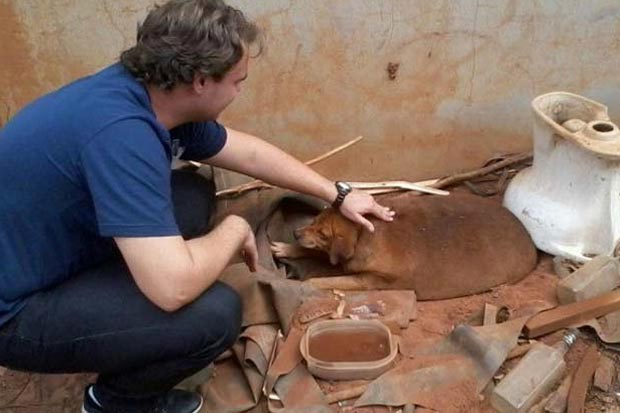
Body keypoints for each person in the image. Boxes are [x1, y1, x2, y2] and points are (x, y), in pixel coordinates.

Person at [0, 0, 394, 412]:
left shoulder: (149, 91)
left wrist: (339, 194)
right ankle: (115, 402)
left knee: (190, 196)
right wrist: (235, 229)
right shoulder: (122, 135)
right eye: (238, 81)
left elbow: (249, 154)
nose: (241, 91)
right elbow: (172, 290)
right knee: (214, 315)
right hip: (13, 312)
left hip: (39, 248)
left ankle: (120, 291)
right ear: (201, 80)